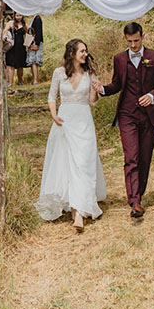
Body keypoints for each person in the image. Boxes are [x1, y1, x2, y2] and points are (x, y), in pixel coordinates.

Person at [94, 21, 154, 219]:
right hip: (127, 114)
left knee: (144, 158)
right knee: (131, 157)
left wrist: (152, 95)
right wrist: (103, 89)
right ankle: (134, 201)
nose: (133, 45)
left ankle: (139, 194)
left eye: (136, 41)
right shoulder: (119, 58)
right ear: (125, 39)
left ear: (142, 36)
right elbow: (117, 84)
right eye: (130, 41)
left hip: (149, 115)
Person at [36, 38, 106, 230]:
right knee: (67, 165)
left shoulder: (90, 73)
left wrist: (96, 91)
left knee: (83, 164)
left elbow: (93, 102)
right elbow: (51, 97)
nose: (85, 54)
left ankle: (80, 209)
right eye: (81, 51)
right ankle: (76, 213)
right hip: (65, 121)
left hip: (84, 121)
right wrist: (54, 116)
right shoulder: (59, 73)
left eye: (85, 51)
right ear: (71, 53)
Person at [2, 12, 27, 86]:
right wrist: (3, 37)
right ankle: (10, 82)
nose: (18, 17)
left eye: (20, 15)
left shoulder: (24, 24)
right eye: (17, 15)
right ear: (14, 16)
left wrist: (27, 45)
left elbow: (27, 35)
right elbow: (4, 31)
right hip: (12, 46)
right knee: (10, 64)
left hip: (21, 47)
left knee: (20, 65)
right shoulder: (11, 23)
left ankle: (20, 81)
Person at [26, 13, 44, 85]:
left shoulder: (37, 18)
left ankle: (35, 80)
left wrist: (37, 44)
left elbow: (38, 32)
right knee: (32, 61)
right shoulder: (34, 18)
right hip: (31, 42)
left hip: (35, 42)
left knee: (34, 61)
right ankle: (34, 79)